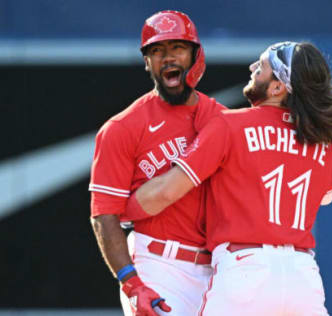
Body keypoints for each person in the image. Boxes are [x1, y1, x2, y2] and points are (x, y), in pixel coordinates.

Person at [126, 41, 332, 315]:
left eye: (262, 66)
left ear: (277, 87)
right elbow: (326, 196)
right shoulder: (322, 144)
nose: (253, 68)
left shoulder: (231, 124)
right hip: (303, 277)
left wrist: (121, 211)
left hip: (245, 271)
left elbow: (167, 191)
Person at [89, 10, 225, 316]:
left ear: (196, 55)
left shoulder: (222, 120)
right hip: (159, 265)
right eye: (156, 51)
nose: (167, 58)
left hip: (220, 269)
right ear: (146, 62)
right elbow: (103, 215)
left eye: (177, 47)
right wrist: (132, 284)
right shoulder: (122, 128)